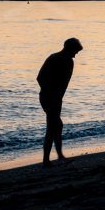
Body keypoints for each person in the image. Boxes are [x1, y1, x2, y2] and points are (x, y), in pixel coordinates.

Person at [36, 37, 83, 167]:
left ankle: (58, 156)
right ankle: (47, 160)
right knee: (53, 127)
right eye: (75, 51)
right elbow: (40, 78)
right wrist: (51, 92)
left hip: (57, 99)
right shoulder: (54, 58)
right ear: (69, 48)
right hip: (48, 97)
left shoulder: (69, 61)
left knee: (56, 126)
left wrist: (58, 95)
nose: (75, 55)